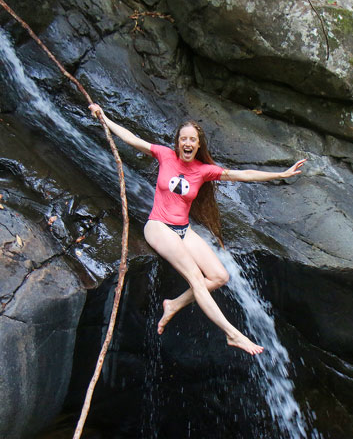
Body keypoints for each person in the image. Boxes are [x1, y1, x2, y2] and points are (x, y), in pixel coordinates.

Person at [89, 104, 306, 356]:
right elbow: (132, 138)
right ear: (178, 142)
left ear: (198, 144)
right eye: (184, 139)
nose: (188, 143)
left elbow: (243, 174)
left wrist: (280, 173)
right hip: (158, 226)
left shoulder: (204, 171)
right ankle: (232, 334)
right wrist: (103, 117)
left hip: (183, 230)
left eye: (193, 139)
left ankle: (174, 304)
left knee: (219, 276)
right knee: (195, 276)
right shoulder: (164, 155)